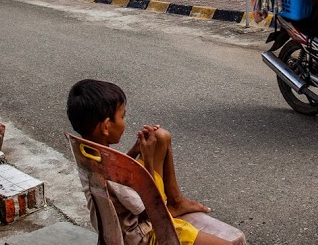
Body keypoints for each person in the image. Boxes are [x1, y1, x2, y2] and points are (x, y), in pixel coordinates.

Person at [67, 78, 227, 245]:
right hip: (143, 236)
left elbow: (116, 176)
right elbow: (152, 207)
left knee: (160, 137)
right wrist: (148, 159)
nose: (124, 122)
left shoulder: (87, 152)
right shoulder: (110, 172)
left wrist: (136, 151)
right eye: (122, 116)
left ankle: (177, 203)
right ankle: (174, 207)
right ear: (106, 127)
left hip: (122, 225)